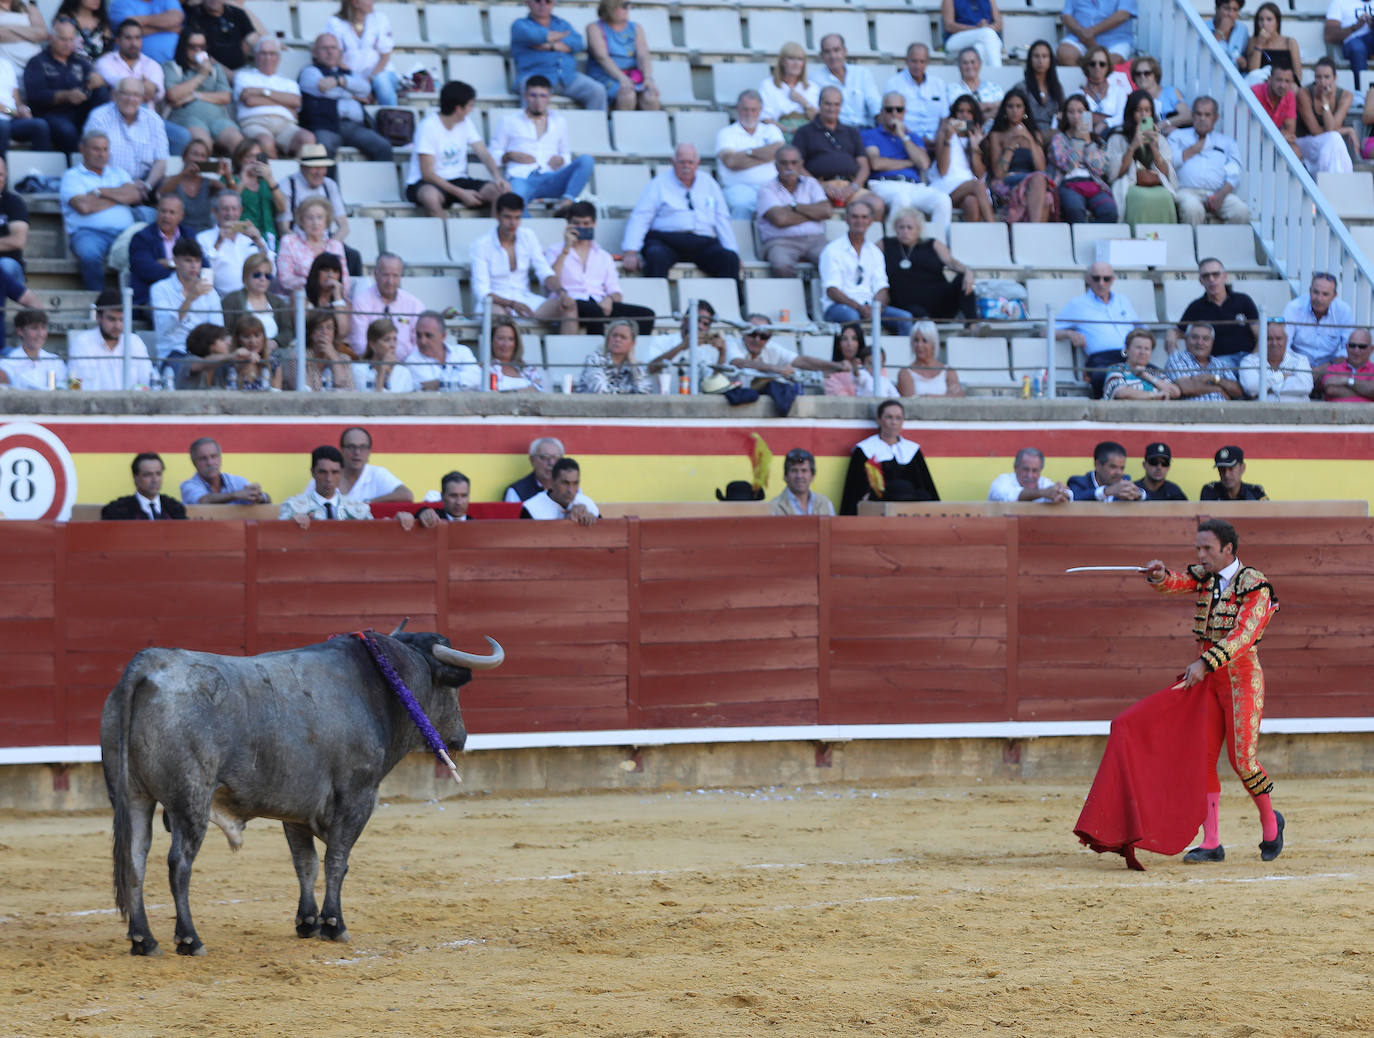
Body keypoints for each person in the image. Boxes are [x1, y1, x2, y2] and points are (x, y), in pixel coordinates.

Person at [1076, 518, 1284, 870]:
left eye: (1207, 549)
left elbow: (1242, 636)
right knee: (1201, 760)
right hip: (1207, 682)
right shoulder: (1205, 577)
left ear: (1228, 549)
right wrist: (1159, 575)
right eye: (1197, 548)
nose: (1200, 555)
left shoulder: (1255, 586)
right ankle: (1212, 841)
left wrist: (1205, 662)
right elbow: (1176, 581)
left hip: (1240, 680)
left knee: (1242, 760)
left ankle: (1271, 823)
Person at [621, 144, 738, 279]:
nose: (686, 167)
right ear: (673, 162)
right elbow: (641, 217)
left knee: (729, 259)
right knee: (655, 256)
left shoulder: (709, 183)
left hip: (702, 242)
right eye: (682, 162)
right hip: (666, 241)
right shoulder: (658, 184)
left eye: (690, 162)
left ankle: (730, 300)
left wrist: (732, 249)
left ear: (698, 163)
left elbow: (722, 219)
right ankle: (654, 300)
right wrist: (630, 251)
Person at [471, 192, 576, 331]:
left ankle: (567, 352)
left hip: (526, 300)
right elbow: (482, 292)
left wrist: (562, 292)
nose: (512, 223)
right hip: (495, 304)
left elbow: (545, 272)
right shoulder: (481, 245)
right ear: (497, 216)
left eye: (517, 217)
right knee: (501, 317)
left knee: (569, 305)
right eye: (507, 217)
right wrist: (512, 304)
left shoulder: (528, 236)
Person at [547, 201, 654, 335]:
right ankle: (598, 354)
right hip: (570, 301)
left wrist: (609, 299)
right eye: (576, 223)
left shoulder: (603, 256)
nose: (581, 228)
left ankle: (635, 353)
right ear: (568, 224)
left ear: (594, 224)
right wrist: (566, 248)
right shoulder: (555, 250)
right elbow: (550, 280)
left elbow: (615, 290)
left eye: (586, 224)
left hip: (599, 302)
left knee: (646, 315)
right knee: (594, 311)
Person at [491, 74, 594, 212]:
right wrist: (509, 156)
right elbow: (493, 154)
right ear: (525, 96)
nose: (538, 101)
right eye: (533, 96)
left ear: (549, 97)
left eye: (542, 96)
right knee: (514, 204)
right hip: (522, 178)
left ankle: (567, 203)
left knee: (586, 160)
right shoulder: (508, 121)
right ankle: (531, 231)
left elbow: (566, 154)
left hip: (552, 177)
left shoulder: (560, 122)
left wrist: (561, 159)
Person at [404, 79, 506, 214]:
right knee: (430, 197)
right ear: (458, 109)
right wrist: (461, 193)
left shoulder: (466, 123)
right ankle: (443, 233)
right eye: (470, 105)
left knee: (500, 192)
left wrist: (497, 177)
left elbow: (483, 153)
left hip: (459, 179)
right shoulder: (428, 127)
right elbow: (427, 174)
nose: (471, 109)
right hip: (428, 183)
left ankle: (494, 233)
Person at [859, 90, 953, 235]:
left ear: (904, 112)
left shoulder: (912, 137)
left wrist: (903, 136)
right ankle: (893, 248)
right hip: (883, 184)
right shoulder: (870, 134)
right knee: (901, 199)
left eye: (899, 110)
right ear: (882, 112)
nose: (894, 114)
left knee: (943, 200)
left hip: (913, 185)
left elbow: (923, 163)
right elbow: (876, 163)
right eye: (889, 110)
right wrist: (909, 163)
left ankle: (938, 248)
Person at [819, 198, 912, 335]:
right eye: (855, 217)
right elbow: (832, 290)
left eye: (864, 217)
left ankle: (903, 357)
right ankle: (860, 356)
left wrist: (876, 308)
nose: (859, 221)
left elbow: (882, 287)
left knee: (905, 318)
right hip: (839, 307)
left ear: (871, 221)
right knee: (852, 317)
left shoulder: (875, 252)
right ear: (846, 219)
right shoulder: (832, 250)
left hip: (870, 306)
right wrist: (858, 307)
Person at [59, 129, 137, 290]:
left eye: (105, 149)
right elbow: (84, 206)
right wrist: (119, 197)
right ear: (82, 149)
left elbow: (135, 195)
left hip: (124, 232)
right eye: (96, 149)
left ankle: (135, 304)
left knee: (143, 251)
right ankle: (98, 302)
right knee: (89, 254)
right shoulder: (72, 176)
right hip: (89, 233)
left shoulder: (119, 172)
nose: (102, 154)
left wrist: (100, 192)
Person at [298, 32, 393, 162]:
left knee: (383, 146)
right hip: (325, 126)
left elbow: (365, 89)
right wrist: (352, 93)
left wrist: (340, 82)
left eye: (333, 48)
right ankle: (327, 183)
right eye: (324, 48)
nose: (330, 52)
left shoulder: (348, 73)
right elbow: (323, 90)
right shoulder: (309, 72)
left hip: (355, 127)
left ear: (339, 52)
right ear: (315, 52)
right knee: (322, 149)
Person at [839, 398, 940, 514]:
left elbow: (925, 487)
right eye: (889, 417)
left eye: (898, 418)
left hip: (911, 513)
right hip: (876, 512)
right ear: (879, 420)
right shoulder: (865, 450)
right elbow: (854, 491)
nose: (894, 422)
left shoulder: (912, 450)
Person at [1055, 261, 1141, 397]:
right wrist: (1068, 333)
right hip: (1102, 360)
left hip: (1130, 356)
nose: (1101, 283)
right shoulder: (1078, 304)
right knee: (1107, 379)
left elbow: (1141, 328)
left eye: (1106, 279)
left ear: (1112, 280)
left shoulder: (1122, 300)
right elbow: (1046, 331)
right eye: (1096, 278)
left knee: (1162, 377)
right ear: (1088, 279)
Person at [24, 15, 107, 154]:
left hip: (80, 111)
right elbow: (35, 96)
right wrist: (66, 96)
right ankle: (77, 167)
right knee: (67, 130)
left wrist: (99, 80)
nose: (68, 44)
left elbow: (95, 87)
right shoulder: (37, 62)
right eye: (63, 39)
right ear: (51, 38)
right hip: (52, 114)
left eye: (71, 39)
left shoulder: (81, 62)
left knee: (102, 91)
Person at [883, 206, 977, 321]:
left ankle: (973, 324)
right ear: (895, 229)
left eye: (910, 228)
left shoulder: (932, 244)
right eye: (901, 227)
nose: (905, 231)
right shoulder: (885, 244)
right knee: (914, 311)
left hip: (941, 302)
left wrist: (968, 272)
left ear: (918, 230)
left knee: (963, 278)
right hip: (905, 305)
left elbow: (951, 262)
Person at [85, 75, 170, 201]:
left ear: (142, 98)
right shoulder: (99, 117)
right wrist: (126, 187)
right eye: (126, 94)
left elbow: (161, 161)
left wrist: (147, 185)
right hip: (109, 184)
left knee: (172, 186)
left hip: (146, 185)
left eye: (136, 95)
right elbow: (95, 158)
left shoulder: (154, 120)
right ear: (115, 95)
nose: (131, 99)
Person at [510, 0, 605, 111]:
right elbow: (534, 36)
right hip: (536, 75)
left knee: (597, 90)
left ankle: (593, 128)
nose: (543, 4)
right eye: (537, 1)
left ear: (553, 3)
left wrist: (550, 46)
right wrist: (559, 38)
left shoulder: (561, 24)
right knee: (532, 91)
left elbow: (578, 43)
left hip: (567, 77)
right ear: (528, 2)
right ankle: (528, 127)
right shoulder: (520, 24)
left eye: (548, 1)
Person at [1170, 97, 1248, 226]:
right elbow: (1170, 163)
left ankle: (1230, 246)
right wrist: (1195, 148)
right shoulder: (1178, 137)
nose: (1202, 118)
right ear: (1192, 115)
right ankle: (1194, 246)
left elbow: (1234, 173)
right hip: (1186, 191)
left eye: (1207, 115)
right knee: (1192, 208)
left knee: (1241, 211)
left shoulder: (1227, 142)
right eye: (1198, 114)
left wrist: (1221, 195)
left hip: (1217, 193)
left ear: (1216, 118)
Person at [233, 37, 314, 159]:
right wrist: (284, 103)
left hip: (285, 125)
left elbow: (296, 101)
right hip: (255, 122)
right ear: (255, 55)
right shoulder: (243, 76)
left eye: (272, 54)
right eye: (263, 53)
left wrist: (262, 92)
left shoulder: (288, 82)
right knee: (266, 141)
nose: (268, 58)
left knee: (308, 139)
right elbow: (250, 101)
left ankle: (298, 176)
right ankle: (271, 176)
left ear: (278, 57)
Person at [755, 145, 829, 278]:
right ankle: (790, 298)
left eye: (794, 163)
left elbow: (826, 211)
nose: (789, 167)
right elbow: (780, 220)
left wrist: (794, 207)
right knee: (781, 264)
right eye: (784, 163)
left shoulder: (811, 183)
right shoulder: (766, 189)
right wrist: (813, 214)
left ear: (801, 164)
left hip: (816, 240)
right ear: (776, 166)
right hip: (780, 241)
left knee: (833, 261)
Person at [1106, 89, 1176, 224]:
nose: (1144, 115)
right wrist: (1133, 146)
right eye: (1139, 110)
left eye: (1147, 110)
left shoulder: (1159, 138)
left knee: (1166, 197)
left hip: (1155, 184)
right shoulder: (1117, 137)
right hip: (1129, 184)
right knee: (1138, 197)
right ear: (1131, 113)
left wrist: (1154, 148)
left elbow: (1166, 173)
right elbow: (1114, 174)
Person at [987, 88, 1055, 222]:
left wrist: (1029, 140)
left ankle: (1032, 233)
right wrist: (1011, 146)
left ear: (1025, 110)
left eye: (1018, 106)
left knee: (1046, 194)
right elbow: (999, 174)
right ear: (1005, 109)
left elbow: (1041, 168)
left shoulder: (1034, 134)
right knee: (1041, 186)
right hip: (1009, 180)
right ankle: (1034, 230)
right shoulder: (997, 135)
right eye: (1010, 106)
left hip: (1033, 181)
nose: (1014, 111)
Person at [714, 90, 785, 220]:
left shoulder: (771, 130)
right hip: (738, 187)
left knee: (783, 205)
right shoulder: (726, 133)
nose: (749, 114)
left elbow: (780, 154)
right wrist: (766, 155)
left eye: (754, 110)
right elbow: (731, 162)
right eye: (745, 109)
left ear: (761, 110)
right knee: (741, 205)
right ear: (738, 109)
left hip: (772, 187)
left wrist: (747, 153)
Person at [1170, 258, 1257, 361]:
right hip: (1218, 362)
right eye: (1206, 276)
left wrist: (1253, 359)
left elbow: (1261, 335)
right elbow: (1179, 331)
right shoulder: (1196, 307)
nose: (1211, 279)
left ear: (1225, 277)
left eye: (1216, 274)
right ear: (1200, 281)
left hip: (1249, 359)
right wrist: (1170, 333)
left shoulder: (1243, 300)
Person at [1048, 93, 1117, 223]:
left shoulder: (1098, 141)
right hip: (1067, 184)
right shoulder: (1058, 139)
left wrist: (1089, 143)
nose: (1076, 116)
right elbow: (1068, 165)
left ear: (1087, 115)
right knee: (1074, 208)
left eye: (1080, 112)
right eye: (1071, 112)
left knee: (1109, 210)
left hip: (1092, 184)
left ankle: (1097, 240)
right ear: (1065, 115)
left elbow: (1100, 169)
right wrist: (1079, 141)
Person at [65, 286, 152, 389]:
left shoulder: (135, 343)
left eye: (121, 320)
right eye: (112, 319)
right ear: (98, 317)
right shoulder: (82, 343)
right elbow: (74, 387)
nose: (118, 325)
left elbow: (147, 383)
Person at [151, 236, 222, 357]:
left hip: (204, 353)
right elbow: (165, 327)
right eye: (188, 261)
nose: (194, 266)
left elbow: (218, 329)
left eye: (197, 261)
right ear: (176, 261)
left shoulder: (210, 291)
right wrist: (190, 299)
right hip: (173, 353)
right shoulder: (160, 289)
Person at [928, 94, 994, 222]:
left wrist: (975, 147)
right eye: (961, 111)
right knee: (978, 186)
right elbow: (943, 170)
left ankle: (971, 241)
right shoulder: (944, 134)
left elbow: (979, 174)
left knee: (972, 202)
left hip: (970, 187)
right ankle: (996, 230)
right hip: (945, 188)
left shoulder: (979, 137)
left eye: (969, 112)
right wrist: (947, 138)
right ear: (954, 114)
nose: (965, 115)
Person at [346, 251, 422, 359]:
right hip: (371, 364)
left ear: (401, 276)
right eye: (386, 275)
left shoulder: (414, 304)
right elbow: (359, 344)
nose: (390, 281)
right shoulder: (362, 301)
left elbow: (419, 343)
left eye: (395, 276)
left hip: (407, 366)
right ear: (375, 274)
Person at [585, 0, 658, 112]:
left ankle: (651, 129)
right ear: (611, 8)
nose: (628, 8)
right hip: (606, 76)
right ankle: (625, 129)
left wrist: (648, 78)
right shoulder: (594, 27)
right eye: (624, 5)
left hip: (633, 75)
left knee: (651, 96)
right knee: (627, 95)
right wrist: (622, 79)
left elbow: (643, 55)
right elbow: (602, 58)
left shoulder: (636, 27)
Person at [196, 188, 272, 297]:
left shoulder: (251, 237)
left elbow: (271, 271)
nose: (230, 213)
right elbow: (203, 276)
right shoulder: (203, 238)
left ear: (240, 211)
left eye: (234, 209)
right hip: (222, 300)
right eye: (225, 209)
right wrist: (218, 243)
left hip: (255, 298)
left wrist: (259, 243)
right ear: (214, 211)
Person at [327, 0, 399, 108]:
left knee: (382, 81)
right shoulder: (335, 22)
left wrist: (369, 80)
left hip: (379, 73)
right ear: (355, 2)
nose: (373, 1)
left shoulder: (380, 18)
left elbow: (385, 56)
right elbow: (336, 57)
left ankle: (393, 118)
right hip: (351, 76)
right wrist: (359, 83)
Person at [278, 444, 373, 526]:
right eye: (323, 472)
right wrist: (291, 525)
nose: (329, 479)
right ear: (313, 472)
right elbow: (279, 537)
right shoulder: (293, 507)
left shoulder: (359, 508)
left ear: (342, 473)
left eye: (335, 472)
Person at [278, 143, 349, 248]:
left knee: (353, 256)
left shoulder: (329, 185)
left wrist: (331, 246)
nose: (319, 172)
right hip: (297, 245)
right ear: (303, 167)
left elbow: (344, 226)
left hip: (325, 243)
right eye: (315, 167)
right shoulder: (287, 185)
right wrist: (306, 248)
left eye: (322, 167)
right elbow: (283, 228)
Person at [1281, 272, 1355, 372]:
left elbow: (1349, 349)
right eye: (1315, 292)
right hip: (1297, 367)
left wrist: (1328, 366)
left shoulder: (1344, 311)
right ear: (1310, 291)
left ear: (1334, 296)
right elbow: (1283, 346)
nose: (1319, 299)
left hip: (1330, 367)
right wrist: (1302, 367)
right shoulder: (1293, 308)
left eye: (1325, 294)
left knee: (1334, 385)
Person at [1295, 57, 1357, 176]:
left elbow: (1331, 129)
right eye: (1318, 77)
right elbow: (1316, 131)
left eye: (1327, 77)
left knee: (1334, 140)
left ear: (1335, 78)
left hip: (1328, 146)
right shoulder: (1304, 94)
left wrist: (1325, 103)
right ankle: (1338, 182)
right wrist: (1348, 129)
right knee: (1334, 138)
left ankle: (1329, 180)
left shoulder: (1346, 96)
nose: (1322, 82)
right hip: (1306, 143)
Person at [276, 195, 347, 294]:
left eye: (320, 217)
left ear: (326, 221)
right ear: (302, 220)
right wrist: (317, 284)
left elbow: (345, 281)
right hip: (299, 299)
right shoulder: (289, 242)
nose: (315, 222)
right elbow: (285, 279)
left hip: (329, 298)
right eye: (310, 218)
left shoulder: (336, 246)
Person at [882, 43, 946, 149]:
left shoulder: (938, 84)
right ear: (906, 60)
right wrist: (917, 139)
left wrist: (939, 138)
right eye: (914, 61)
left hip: (937, 142)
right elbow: (891, 118)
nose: (918, 66)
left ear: (928, 62)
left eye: (922, 61)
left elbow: (944, 117)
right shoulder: (893, 83)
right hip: (906, 141)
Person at [225, 138, 285, 246]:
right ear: (239, 159)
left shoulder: (267, 182)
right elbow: (227, 205)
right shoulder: (230, 179)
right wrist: (243, 182)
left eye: (257, 156)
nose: (254, 161)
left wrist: (270, 179)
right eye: (249, 156)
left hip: (268, 239)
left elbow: (282, 208)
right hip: (240, 236)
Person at [127, 191, 183, 306]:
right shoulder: (141, 238)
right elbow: (148, 271)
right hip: (150, 297)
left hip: (184, 295)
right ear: (157, 212)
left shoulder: (188, 235)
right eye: (163, 211)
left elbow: (203, 265)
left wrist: (171, 264)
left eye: (172, 212)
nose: (166, 216)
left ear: (181, 216)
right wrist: (183, 272)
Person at [330, 425, 412, 503]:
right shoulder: (328, 473)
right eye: (351, 447)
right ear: (341, 450)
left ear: (369, 451)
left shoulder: (377, 473)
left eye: (363, 447)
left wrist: (367, 503)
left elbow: (407, 495)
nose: (357, 452)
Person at [813, 33, 880, 129]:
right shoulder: (815, 78)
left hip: (866, 129)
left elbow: (875, 105)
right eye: (827, 52)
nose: (832, 56)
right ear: (822, 56)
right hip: (837, 130)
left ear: (845, 51)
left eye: (836, 50)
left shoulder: (862, 73)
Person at [1164, 322, 1243, 402]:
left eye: (1205, 338)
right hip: (1193, 412)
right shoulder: (1177, 358)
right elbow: (1186, 388)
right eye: (1195, 337)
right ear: (1186, 340)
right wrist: (1218, 389)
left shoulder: (1220, 364)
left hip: (1224, 412)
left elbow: (1238, 392)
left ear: (1212, 342)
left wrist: (1213, 378)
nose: (1200, 342)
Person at [0, 29, 50, 154]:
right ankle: (3, 170)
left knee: (40, 125)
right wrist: (13, 112)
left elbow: (16, 97)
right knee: (3, 127)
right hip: (5, 120)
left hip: (11, 119)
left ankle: (38, 171)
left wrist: (23, 109)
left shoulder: (6, 65)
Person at [180, 436, 269, 505]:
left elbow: (267, 501)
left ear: (220, 458)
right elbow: (204, 500)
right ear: (194, 463)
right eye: (203, 459)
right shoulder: (188, 486)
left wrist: (259, 496)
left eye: (213, 456)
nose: (210, 463)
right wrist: (236, 495)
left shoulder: (238, 481)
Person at [1239, 320, 1313, 400]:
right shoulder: (1249, 362)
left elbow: (1306, 386)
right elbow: (1251, 387)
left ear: (1286, 340)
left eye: (1279, 338)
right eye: (1269, 339)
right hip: (1263, 412)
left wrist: (1265, 389)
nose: (1274, 343)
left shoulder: (1300, 360)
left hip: (1297, 411)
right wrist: (1281, 376)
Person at [407, 310, 479, 392]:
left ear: (443, 336)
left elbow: (477, 378)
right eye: (419, 335)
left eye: (428, 335)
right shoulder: (412, 361)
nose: (422, 341)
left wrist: (438, 383)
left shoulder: (462, 351)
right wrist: (460, 380)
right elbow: (431, 392)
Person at [758, 41, 818, 139]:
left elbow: (819, 120)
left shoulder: (812, 87)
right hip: (778, 134)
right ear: (782, 61)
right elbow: (764, 119)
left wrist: (803, 101)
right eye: (791, 58)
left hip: (809, 134)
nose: (796, 63)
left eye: (800, 59)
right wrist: (788, 130)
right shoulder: (768, 85)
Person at [102, 451, 188, 519]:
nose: (155, 479)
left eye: (158, 474)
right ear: (135, 477)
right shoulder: (117, 510)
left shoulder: (175, 508)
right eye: (148, 474)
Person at [284, 307, 352, 390]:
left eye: (329, 327)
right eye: (319, 328)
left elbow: (346, 389)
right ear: (311, 332)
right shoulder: (297, 358)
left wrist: (333, 357)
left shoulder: (344, 359)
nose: (325, 333)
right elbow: (306, 393)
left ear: (334, 332)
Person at [1102, 326, 1179, 401]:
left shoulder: (1155, 373)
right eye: (1138, 347)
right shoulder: (1117, 369)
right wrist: (1154, 395)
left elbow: (1175, 392)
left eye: (1147, 349)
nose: (1143, 352)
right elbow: (1121, 393)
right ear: (1127, 349)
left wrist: (1146, 375)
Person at [577, 318, 652, 394]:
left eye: (623, 337)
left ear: (632, 343)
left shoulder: (636, 367)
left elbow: (645, 392)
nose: (617, 339)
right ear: (608, 338)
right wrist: (628, 393)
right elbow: (601, 391)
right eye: (614, 335)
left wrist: (633, 365)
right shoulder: (595, 359)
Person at [156, 138, 214, 235]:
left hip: (204, 234)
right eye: (195, 154)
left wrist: (228, 176)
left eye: (203, 156)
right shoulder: (171, 179)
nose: (198, 159)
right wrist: (183, 174)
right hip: (177, 233)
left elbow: (234, 197)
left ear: (207, 161)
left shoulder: (211, 183)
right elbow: (160, 194)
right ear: (184, 157)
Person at [182, 0, 258, 71]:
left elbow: (252, 38)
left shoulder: (237, 13)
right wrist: (230, 75)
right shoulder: (193, 14)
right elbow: (198, 50)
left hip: (241, 68)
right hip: (210, 71)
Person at [825, 321, 895, 397]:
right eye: (844, 339)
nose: (849, 344)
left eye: (854, 339)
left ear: (859, 342)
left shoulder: (877, 366)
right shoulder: (831, 374)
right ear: (838, 344)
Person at [1058, 0, 1137, 67]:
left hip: (1115, 41)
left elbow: (1122, 15)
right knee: (1065, 55)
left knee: (1111, 63)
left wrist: (1092, 31)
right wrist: (1081, 33)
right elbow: (1066, 16)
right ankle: (1083, 80)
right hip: (1079, 36)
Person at [520, 456, 598, 524]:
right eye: (565, 483)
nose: (570, 490)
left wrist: (589, 521)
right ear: (552, 482)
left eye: (575, 483)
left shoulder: (587, 505)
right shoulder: (532, 508)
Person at [0, 310, 65, 390]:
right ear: (20, 331)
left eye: (43, 327)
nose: (40, 334)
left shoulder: (55, 361)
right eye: (34, 328)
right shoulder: (7, 364)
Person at [896, 320, 963, 398]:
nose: (919, 345)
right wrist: (944, 396)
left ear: (933, 343)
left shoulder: (949, 372)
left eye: (925, 341)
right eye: (916, 340)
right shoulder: (905, 373)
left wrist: (926, 396)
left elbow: (957, 397)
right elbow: (910, 401)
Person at [986, 446, 1071, 503]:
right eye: (1026, 469)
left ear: (1040, 470)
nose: (1030, 475)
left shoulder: (1044, 482)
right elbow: (1007, 497)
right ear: (1015, 467)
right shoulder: (1002, 481)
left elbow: (1069, 495)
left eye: (1035, 471)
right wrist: (1043, 493)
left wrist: (1061, 492)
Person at [1066, 440, 1143, 500]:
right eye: (1113, 467)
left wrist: (1140, 495)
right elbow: (1072, 498)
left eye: (1122, 468)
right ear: (1098, 465)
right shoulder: (1079, 482)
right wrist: (1105, 492)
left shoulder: (1125, 481)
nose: (1119, 472)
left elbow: (1150, 499)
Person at [1128, 54, 1187, 131]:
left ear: (1155, 75)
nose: (1142, 77)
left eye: (1147, 73)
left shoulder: (1170, 92)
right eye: (1138, 74)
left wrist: (1166, 123)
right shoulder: (1133, 98)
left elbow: (1187, 115)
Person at [108, 0, 180, 64]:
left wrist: (142, 20)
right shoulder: (120, 3)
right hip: (133, 66)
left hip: (174, 64)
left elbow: (177, 17)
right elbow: (129, 31)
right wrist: (169, 27)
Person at [1246, 2, 1300, 85]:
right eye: (1261, 19)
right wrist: (1259, 44)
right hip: (1261, 86)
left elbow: (1297, 74)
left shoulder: (1289, 42)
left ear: (1277, 22)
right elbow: (1253, 72)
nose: (1264, 24)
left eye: (1269, 19)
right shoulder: (1253, 41)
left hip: (1285, 86)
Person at [488, 314, 546, 392]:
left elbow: (540, 389)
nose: (506, 344)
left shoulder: (527, 368)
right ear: (491, 341)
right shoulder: (485, 369)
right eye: (501, 338)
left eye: (511, 339)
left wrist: (512, 392)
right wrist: (524, 391)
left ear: (516, 343)